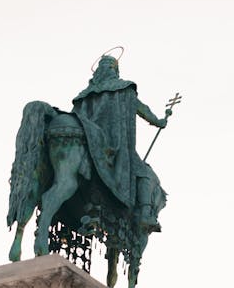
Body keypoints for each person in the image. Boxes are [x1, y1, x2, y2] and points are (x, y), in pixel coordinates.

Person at [72, 55, 168, 228]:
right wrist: (159, 121)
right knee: (144, 173)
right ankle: (145, 214)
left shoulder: (84, 94)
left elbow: (74, 117)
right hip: (114, 144)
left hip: (85, 138)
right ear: (115, 70)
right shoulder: (123, 88)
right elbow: (143, 109)